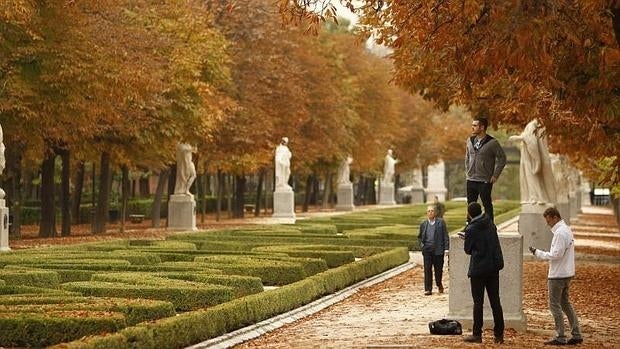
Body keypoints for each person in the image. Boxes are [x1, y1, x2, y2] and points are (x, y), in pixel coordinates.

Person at [529, 207, 582, 345]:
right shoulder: (567, 230)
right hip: (567, 272)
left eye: (548, 221)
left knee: (554, 306)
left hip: (558, 274)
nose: (548, 224)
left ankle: (560, 336)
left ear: (554, 217)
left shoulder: (559, 233)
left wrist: (537, 253)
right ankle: (576, 334)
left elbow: (555, 254)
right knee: (565, 304)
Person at [462, 202, 505, 344]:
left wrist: (467, 236)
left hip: (479, 269)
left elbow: (468, 250)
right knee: (495, 301)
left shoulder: (471, 229)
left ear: (469, 214)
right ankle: (499, 335)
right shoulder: (490, 224)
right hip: (493, 268)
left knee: (478, 303)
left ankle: (477, 334)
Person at [465, 117, 506, 222]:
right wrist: (468, 171)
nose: (472, 128)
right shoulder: (470, 141)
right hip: (471, 179)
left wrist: (495, 175)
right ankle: (469, 228)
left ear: (482, 127)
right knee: (470, 205)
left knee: (487, 205)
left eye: (475, 126)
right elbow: (467, 157)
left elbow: (502, 158)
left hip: (484, 180)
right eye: (472, 125)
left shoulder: (492, 143)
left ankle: (490, 227)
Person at [509, 119, 556, 204]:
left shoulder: (533, 125)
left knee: (531, 177)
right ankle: (533, 197)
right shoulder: (539, 126)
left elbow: (532, 142)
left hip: (530, 158)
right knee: (531, 177)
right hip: (531, 157)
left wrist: (519, 138)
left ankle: (537, 197)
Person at [418, 206, 450, 295]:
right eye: (429, 211)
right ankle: (428, 289)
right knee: (427, 270)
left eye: (432, 211)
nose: (430, 212)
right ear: (426, 213)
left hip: (438, 251)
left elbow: (445, 236)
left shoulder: (441, 222)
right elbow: (420, 237)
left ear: (435, 212)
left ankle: (439, 284)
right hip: (427, 250)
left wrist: (446, 248)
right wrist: (422, 245)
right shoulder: (423, 224)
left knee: (438, 270)